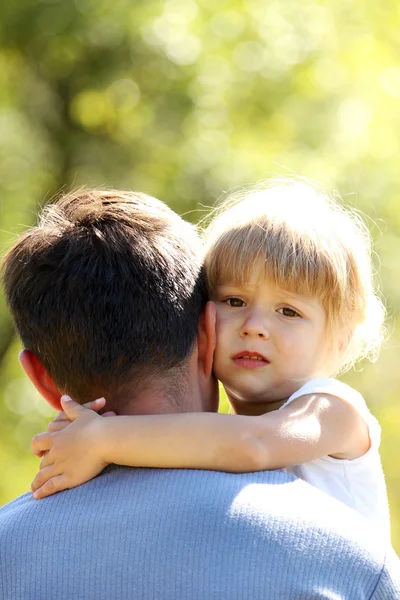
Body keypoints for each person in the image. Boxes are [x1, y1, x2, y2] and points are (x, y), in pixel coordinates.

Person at [0, 188, 399, 600]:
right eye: (235, 300)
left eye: (289, 311)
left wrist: (102, 438)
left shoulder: (333, 408)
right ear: (206, 324)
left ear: (341, 340)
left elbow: (254, 447)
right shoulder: (220, 436)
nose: (255, 326)